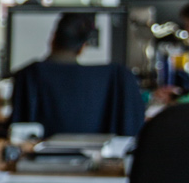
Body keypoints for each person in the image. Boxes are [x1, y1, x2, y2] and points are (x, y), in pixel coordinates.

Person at [11, 11, 144, 137]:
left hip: (40, 159)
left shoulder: (29, 75)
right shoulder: (118, 75)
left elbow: (18, 131)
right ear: (82, 47)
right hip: (100, 159)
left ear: (53, 39)